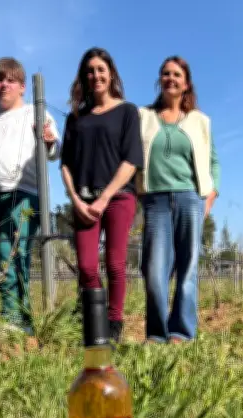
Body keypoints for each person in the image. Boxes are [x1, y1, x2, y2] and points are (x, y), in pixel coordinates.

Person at [60, 47, 144, 343]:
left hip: (118, 197)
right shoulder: (75, 118)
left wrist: (105, 197)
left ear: (111, 74)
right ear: (84, 77)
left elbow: (131, 160)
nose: (95, 75)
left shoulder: (127, 112)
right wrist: (76, 199)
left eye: (100, 69)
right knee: (85, 266)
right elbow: (65, 164)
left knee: (115, 263)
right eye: (90, 71)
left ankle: (114, 321)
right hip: (83, 200)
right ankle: (92, 317)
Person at [135, 56, 221, 344]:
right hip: (155, 201)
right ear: (159, 80)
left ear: (186, 83)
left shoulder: (200, 121)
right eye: (165, 74)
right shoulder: (143, 116)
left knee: (188, 267)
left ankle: (181, 332)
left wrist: (210, 195)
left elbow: (213, 161)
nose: (170, 78)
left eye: (176, 74)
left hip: (189, 198)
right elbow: (132, 157)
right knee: (154, 270)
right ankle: (157, 334)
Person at [0, 57, 61, 336]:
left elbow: (53, 149)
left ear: (22, 86)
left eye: (10, 80)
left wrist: (48, 139)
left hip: (23, 194)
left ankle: (13, 320)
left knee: (9, 255)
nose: (3, 85)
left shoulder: (36, 115)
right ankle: (22, 321)